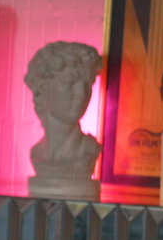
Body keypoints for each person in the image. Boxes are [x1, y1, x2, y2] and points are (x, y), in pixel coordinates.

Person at [22, 42, 103, 198]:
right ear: (45, 88)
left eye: (87, 85)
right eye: (70, 83)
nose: (81, 94)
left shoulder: (89, 150)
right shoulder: (37, 153)